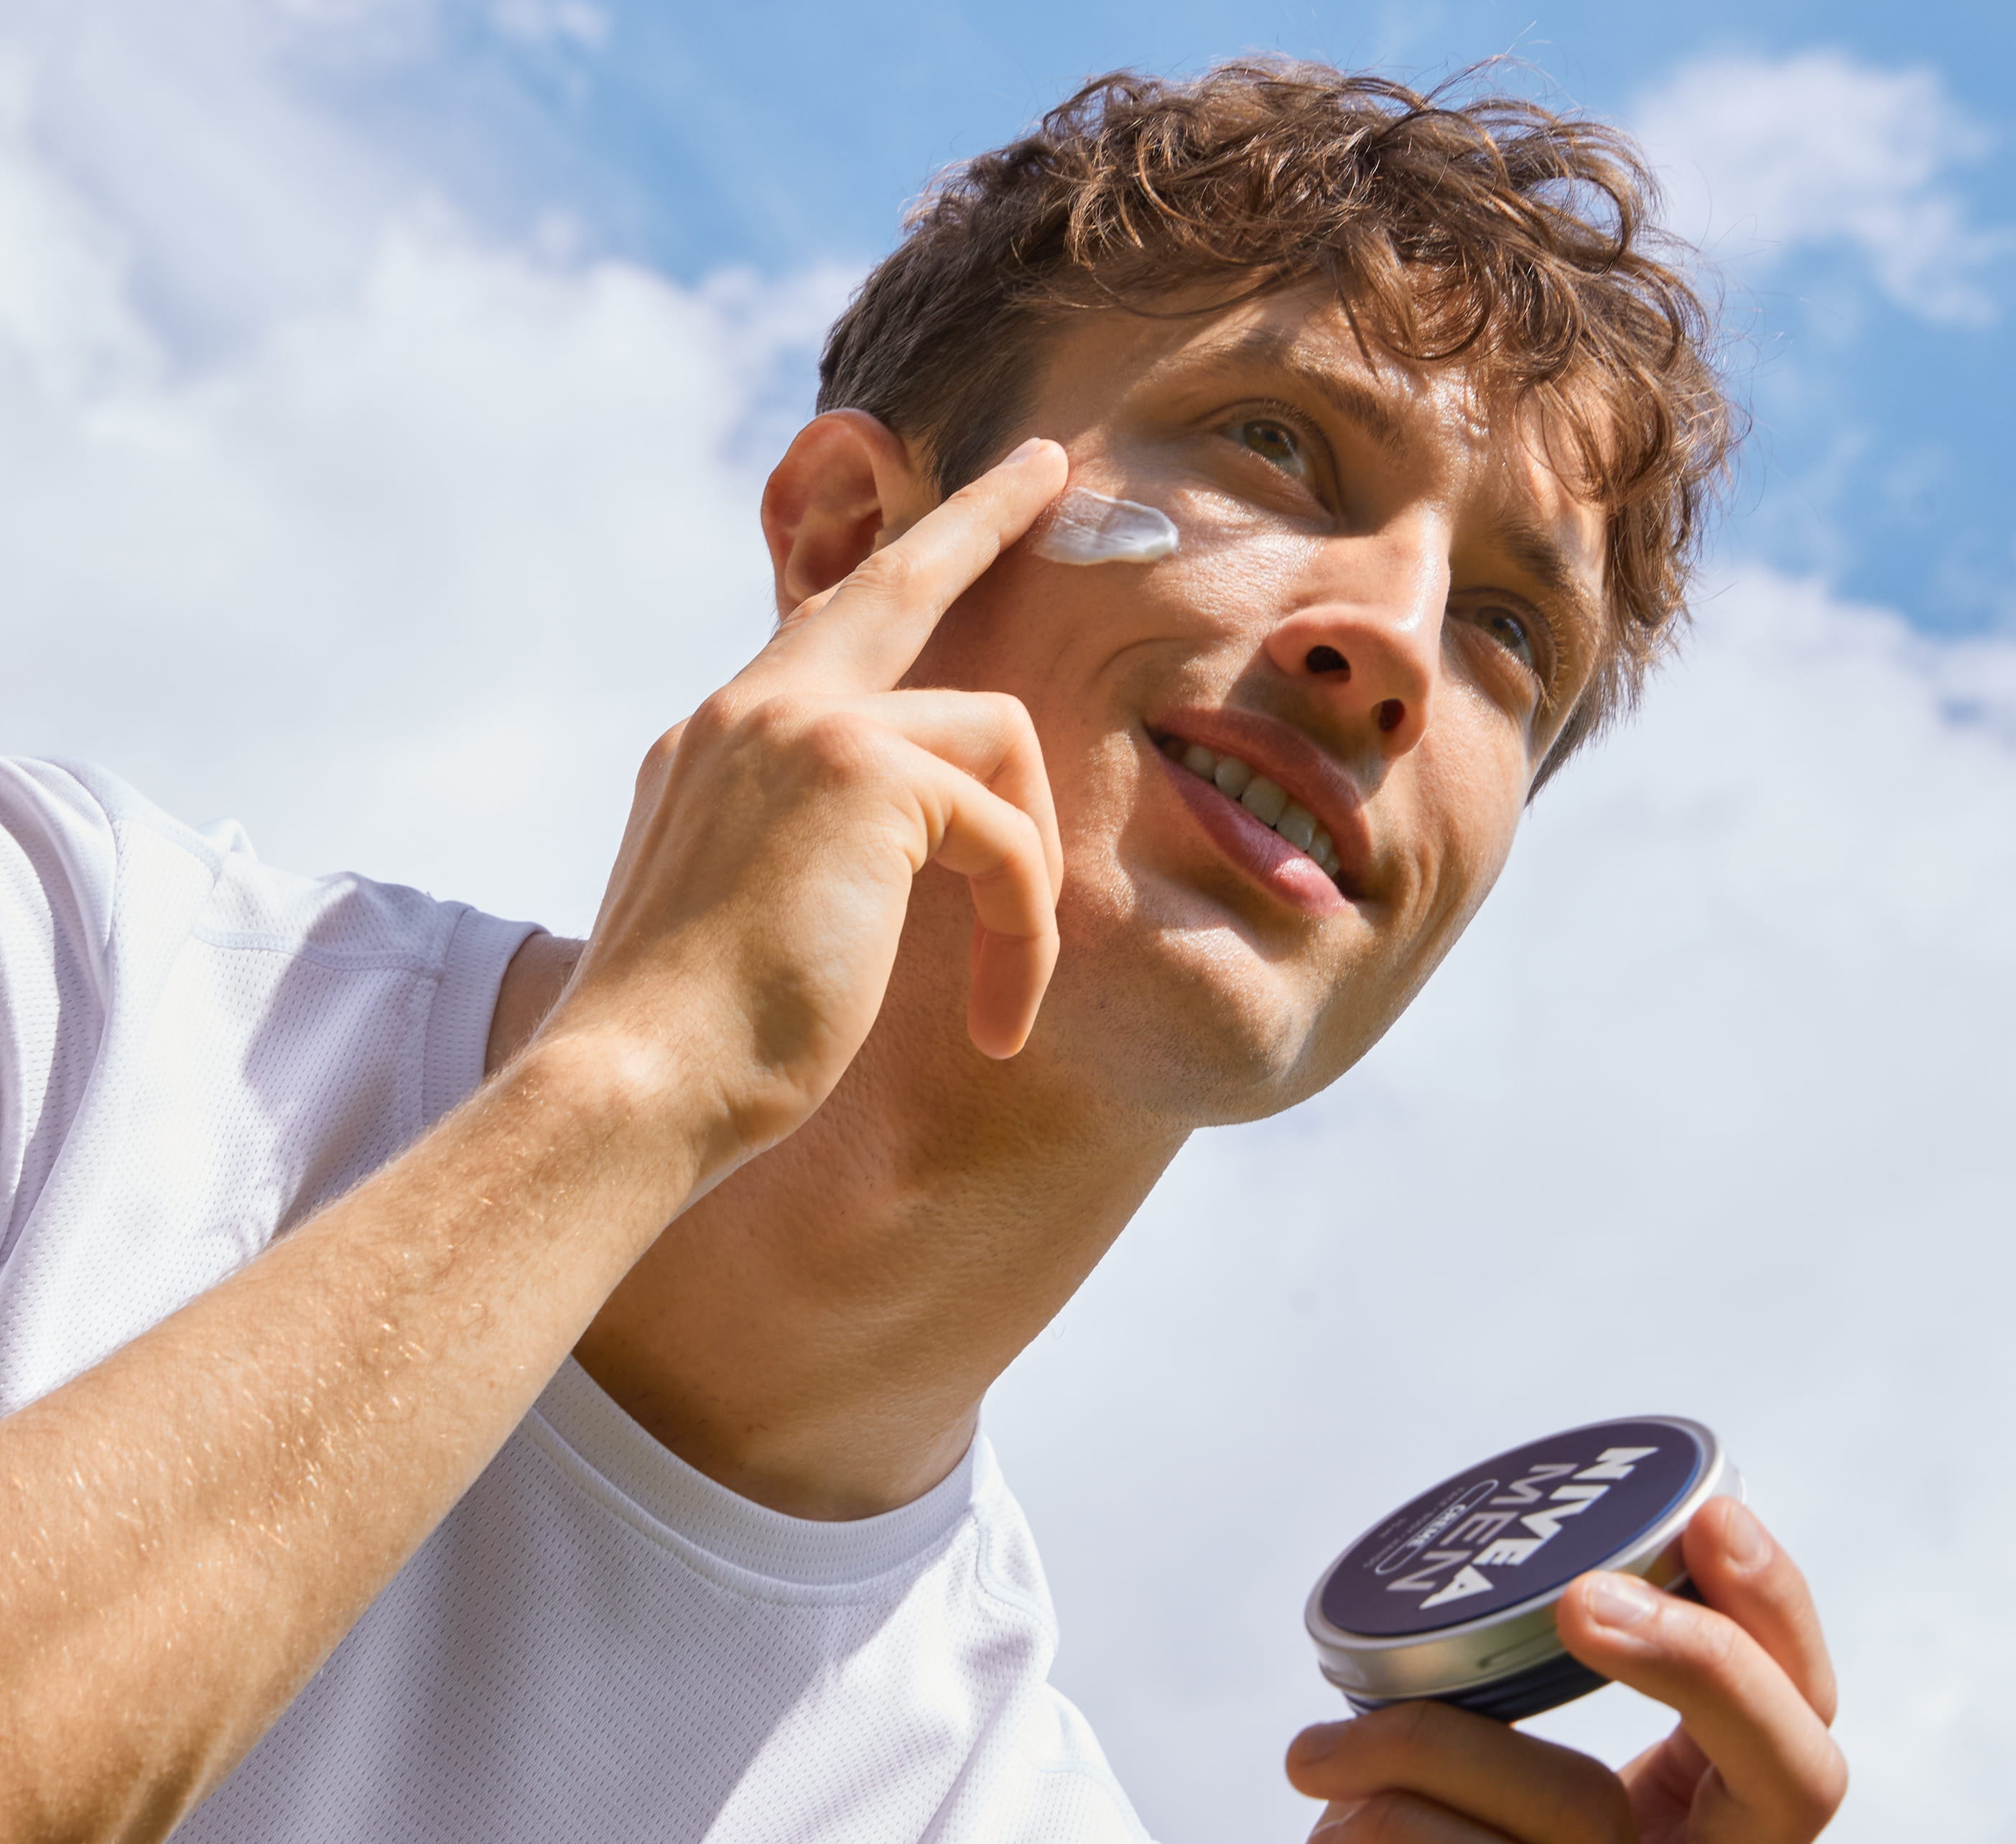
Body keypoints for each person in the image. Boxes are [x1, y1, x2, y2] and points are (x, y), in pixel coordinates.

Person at [0, 62, 1846, 1844]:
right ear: (858, 540)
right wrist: (640, 1085)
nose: (1390, 650)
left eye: (1512, 632)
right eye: (1280, 450)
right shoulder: (72, 980)